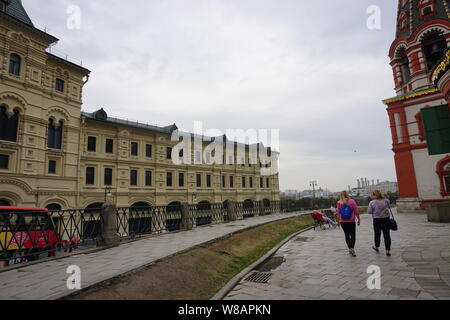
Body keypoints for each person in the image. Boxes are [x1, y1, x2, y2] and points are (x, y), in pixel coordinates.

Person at [368, 190, 392, 256]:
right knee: (386, 235)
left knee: (377, 234)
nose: (372, 196)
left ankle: (376, 246)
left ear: (375, 195)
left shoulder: (371, 202)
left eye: (372, 195)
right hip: (386, 219)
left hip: (377, 220)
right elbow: (388, 207)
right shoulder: (386, 200)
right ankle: (387, 250)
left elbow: (369, 211)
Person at [337, 191, 360, 257]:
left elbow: (338, 213)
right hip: (351, 221)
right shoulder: (352, 201)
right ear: (347, 195)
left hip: (343, 222)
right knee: (352, 235)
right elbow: (356, 211)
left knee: (346, 235)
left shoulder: (339, 202)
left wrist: (338, 221)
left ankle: (350, 248)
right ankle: (352, 248)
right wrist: (358, 219)